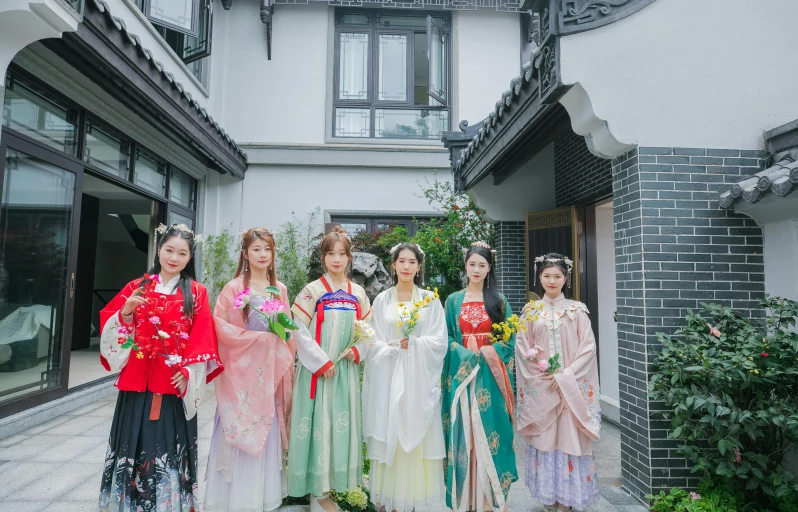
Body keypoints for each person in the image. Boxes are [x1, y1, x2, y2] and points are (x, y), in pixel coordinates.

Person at [98, 223, 223, 511]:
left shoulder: (196, 292)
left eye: (182, 253)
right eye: (169, 250)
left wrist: (189, 372)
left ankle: (170, 503)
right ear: (158, 250)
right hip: (136, 384)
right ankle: (128, 503)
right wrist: (126, 311)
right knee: (132, 440)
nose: (174, 258)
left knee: (167, 445)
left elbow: (203, 335)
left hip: (173, 383)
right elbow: (112, 324)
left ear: (189, 257)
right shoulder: (137, 286)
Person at [349, 242, 447, 512]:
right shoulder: (381, 300)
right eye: (401, 261)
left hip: (418, 381)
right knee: (392, 425)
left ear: (418, 266)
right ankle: (391, 499)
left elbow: (439, 341)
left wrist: (415, 345)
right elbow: (373, 340)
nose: (406, 266)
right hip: (390, 376)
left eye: (412, 262)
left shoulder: (430, 300)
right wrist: (391, 348)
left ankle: (415, 499)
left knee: (417, 429)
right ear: (393, 265)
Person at [205, 228, 297, 511]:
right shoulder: (234, 288)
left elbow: (288, 330)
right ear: (245, 254)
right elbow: (219, 327)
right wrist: (258, 340)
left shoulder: (279, 289)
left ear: (272, 255)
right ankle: (235, 498)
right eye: (256, 249)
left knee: (265, 425)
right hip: (241, 375)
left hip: (266, 375)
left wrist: (279, 339)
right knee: (240, 424)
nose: (262, 255)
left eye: (267, 249)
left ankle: (261, 495)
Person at [286, 226, 373, 497]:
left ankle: (338, 486)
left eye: (342, 254)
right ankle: (317, 490)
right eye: (331, 254)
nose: (336, 259)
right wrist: (321, 362)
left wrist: (357, 350)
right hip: (318, 371)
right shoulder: (312, 291)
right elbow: (297, 329)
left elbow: (369, 330)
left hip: (344, 371)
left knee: (341, 422)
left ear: (349, 258)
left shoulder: (358, 293)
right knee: (317, 423)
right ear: (323, 257)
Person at [515, 253, 600, 512]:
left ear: (566, 279)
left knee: (569, 439)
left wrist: (565, 376)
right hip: (542, 388)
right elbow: (522, 347)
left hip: (570, 388)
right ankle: (549, 496)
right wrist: (542, 376)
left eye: (557, 276)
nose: (552, 281)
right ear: (539, 277)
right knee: (546, 440)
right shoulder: (530, 311)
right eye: (546, 275)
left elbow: (588, 348)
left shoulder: (577, 310)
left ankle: (567, 499)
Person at [442, 241, 517, 512]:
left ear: (489, 268)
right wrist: (464, 354)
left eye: (482, 265)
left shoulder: (498, 301)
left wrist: (488, 351)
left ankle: (490, 499)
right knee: (465, 433)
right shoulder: (452, 300)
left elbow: (509, 339)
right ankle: (467, 499)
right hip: (463, 377)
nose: (476, 269)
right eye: (472, 264)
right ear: (465, 265)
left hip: (489, 376)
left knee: (491, 431)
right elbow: (447, 338)